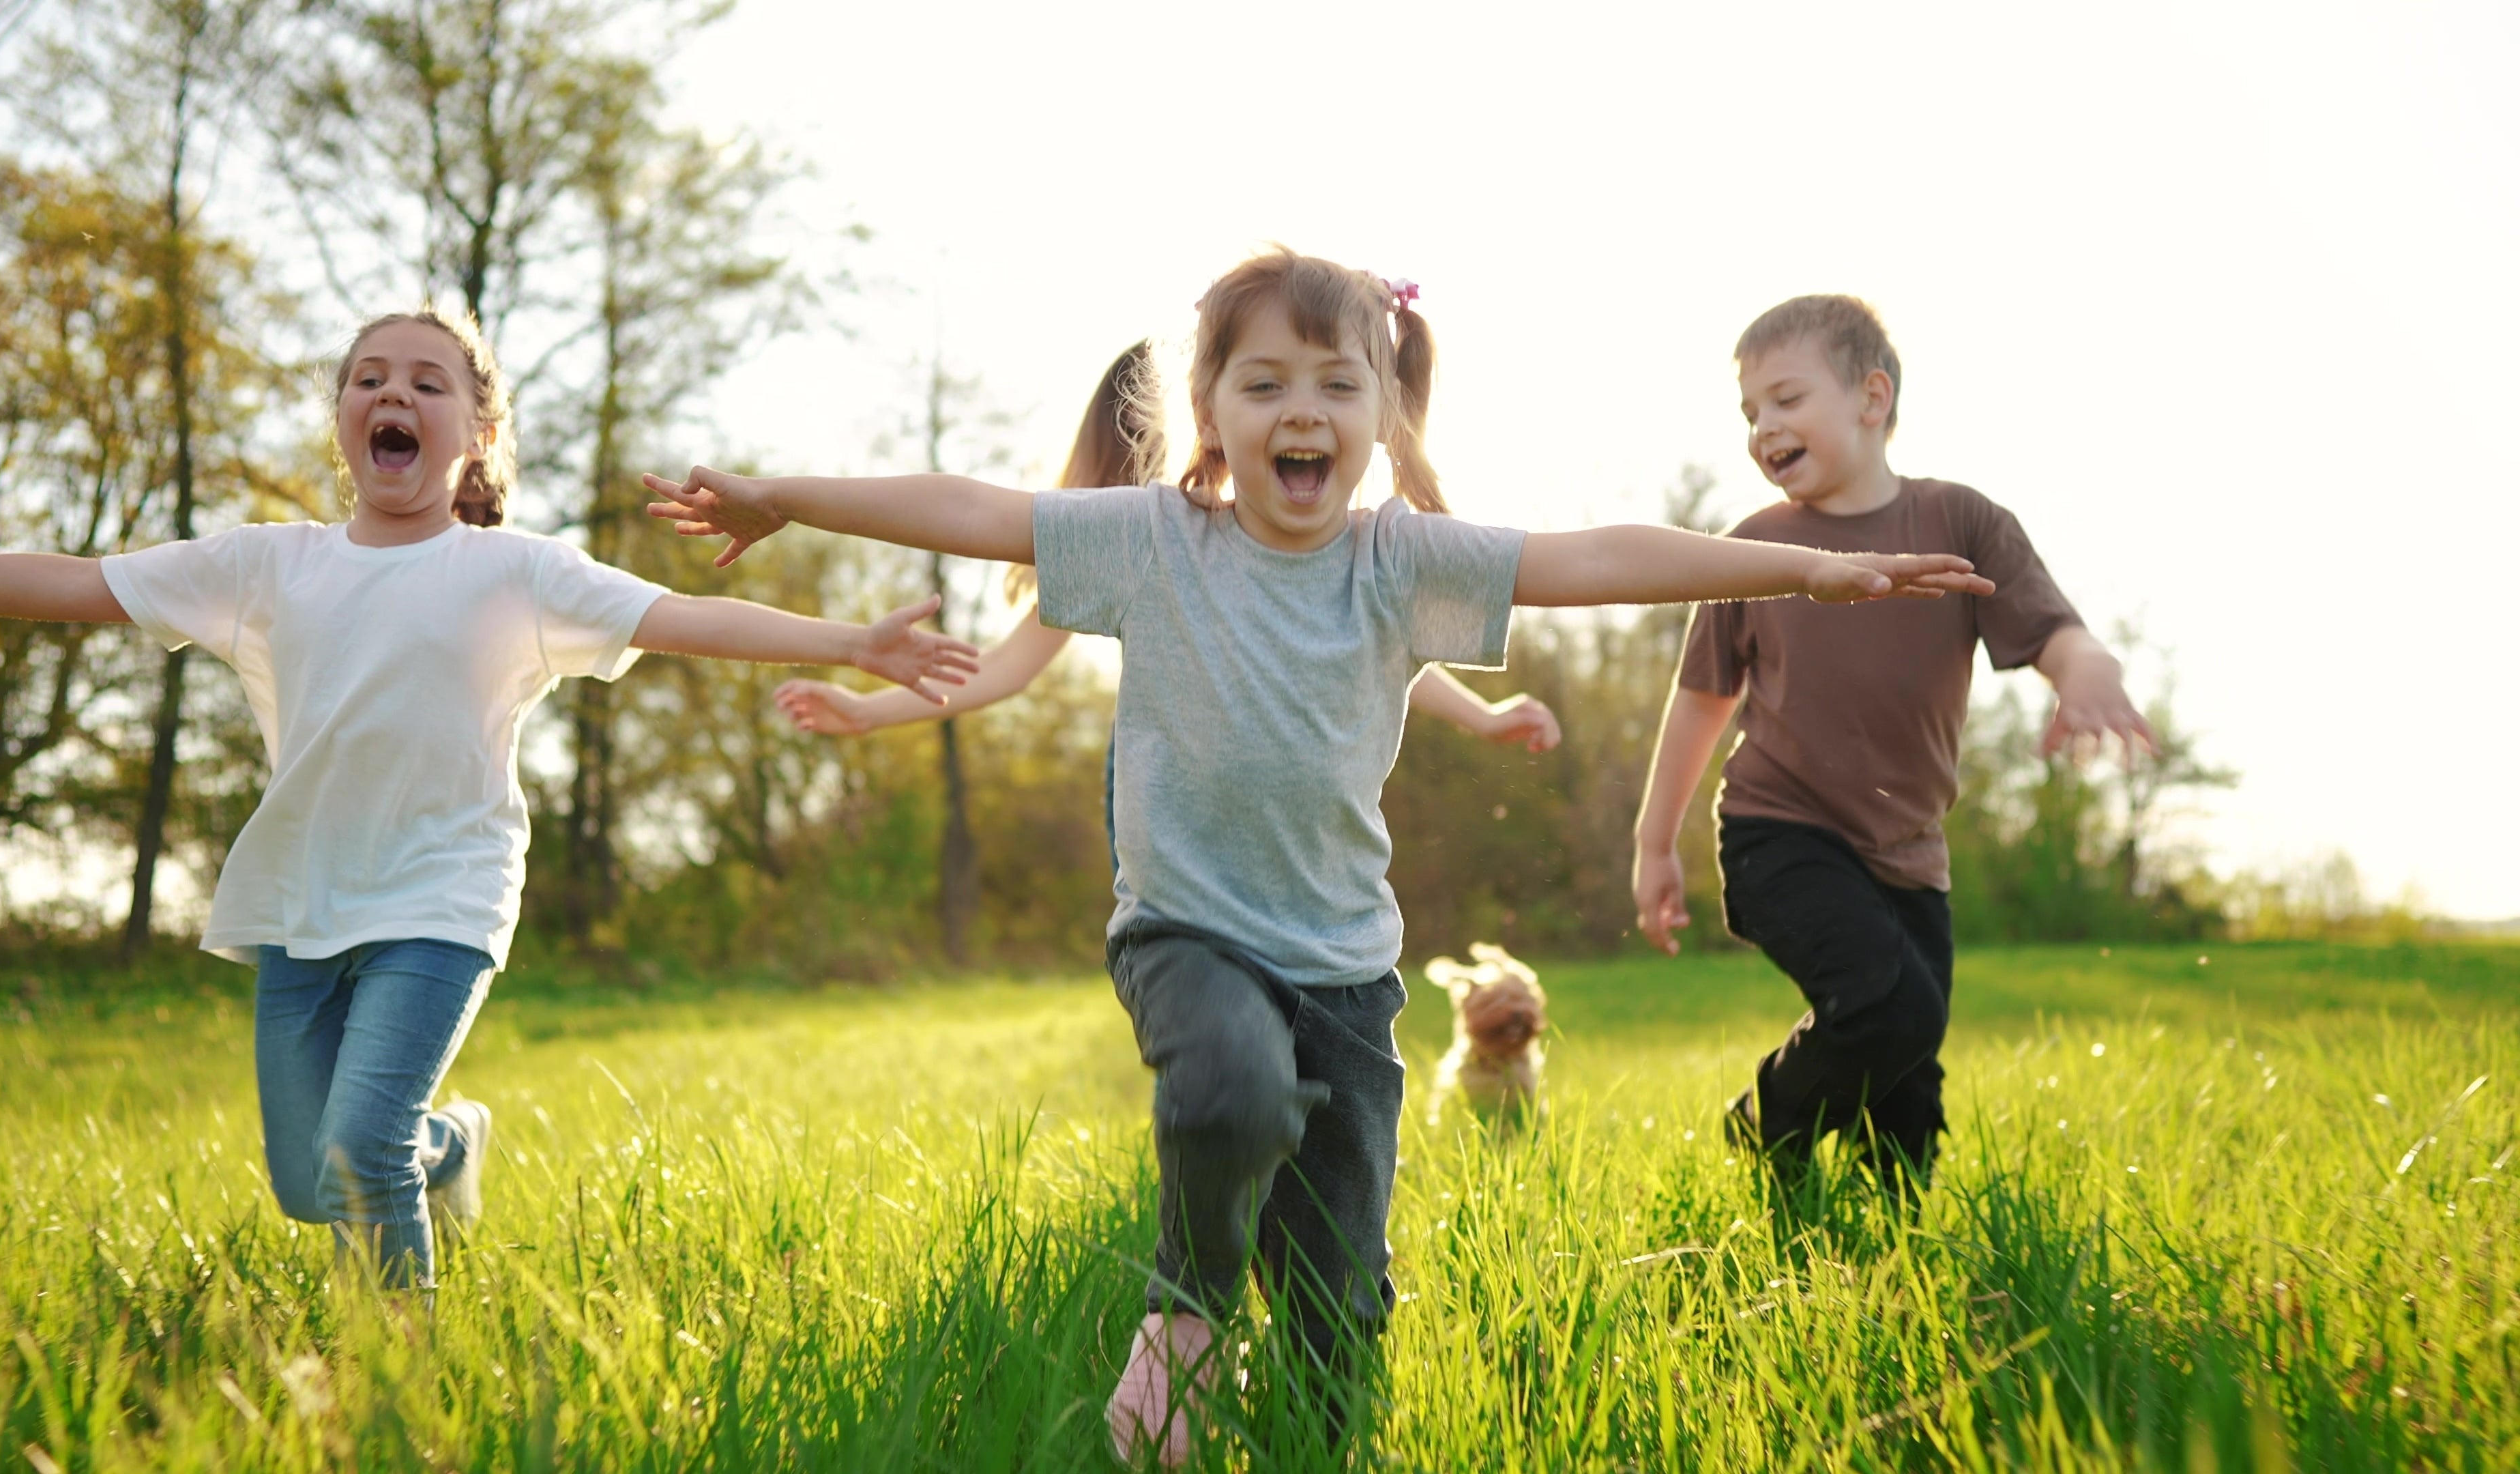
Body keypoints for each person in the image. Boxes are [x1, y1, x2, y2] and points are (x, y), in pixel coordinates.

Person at [642, 251, 1989, 1465]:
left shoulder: (1401, 563)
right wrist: (784, 497)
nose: (1303, 410)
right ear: (1209, 410)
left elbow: (1592, 556)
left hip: (1346, 975)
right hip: (1188, 934)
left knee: (1340, 1330)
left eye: (1337, 385)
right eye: (1265, 382)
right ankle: (1185, 1312)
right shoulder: (1152, 542)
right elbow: (972, 508)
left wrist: (1803, 572)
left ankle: (1292, 1415)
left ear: (1382, 415)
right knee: (1229, 1089)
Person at [0, 307, 976, 1292]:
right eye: (369, 378)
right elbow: (77, 581)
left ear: (478, 434)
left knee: (363, 1150)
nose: (394, 393)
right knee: (310, 1184)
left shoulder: (516, 573)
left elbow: (682, 616)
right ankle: (451, 1148)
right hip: (303, 898)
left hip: (443, 895)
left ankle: (399, 1385)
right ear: (344, 422)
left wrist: (853, 643)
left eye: (427, 382)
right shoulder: (271, 565)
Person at [1629, 293, 2152, 1196]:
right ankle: (1768, 1122)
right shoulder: (1752, 550)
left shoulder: (1961, 523)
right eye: (1750, 411)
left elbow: (2054, 629)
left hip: (1909, 853)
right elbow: (1701, 702)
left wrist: (2089, 670)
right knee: (1888, 1009)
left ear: (1872, 398)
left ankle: (1885, 1238)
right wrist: (1654, 844)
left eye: (1787, 399)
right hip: (1778, 832)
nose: (1763, 427)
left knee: (1907, 1079)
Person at [770, 342, 1562, 755]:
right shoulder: (1131, 549)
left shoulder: (1306, 543)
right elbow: (1002, 669)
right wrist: (869, 712)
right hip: (1172, 820)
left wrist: (1482, 715)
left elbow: (1379, 648)